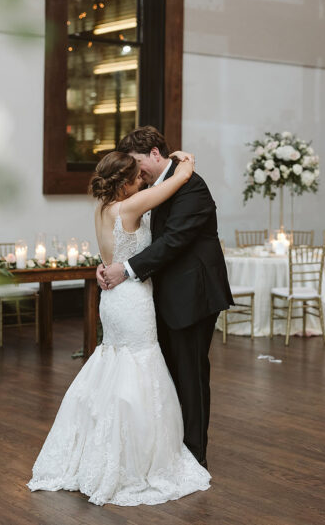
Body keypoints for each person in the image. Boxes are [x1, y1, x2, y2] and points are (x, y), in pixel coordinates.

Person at [27, 149, 210, 506]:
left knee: (113, 364)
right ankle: (132, 457)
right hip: (132, 299)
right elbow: (179, 180)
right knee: (140, 367)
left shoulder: (102, 210)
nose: (143, 181)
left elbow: (111, 254)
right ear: (125, 182)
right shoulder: (129, 207)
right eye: (138, 178)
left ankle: (99, 448)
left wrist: (106, 267)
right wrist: (186, 161)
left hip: (112, 298)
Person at [99, 126, 233, 468]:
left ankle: (194, 455)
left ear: (155, 154)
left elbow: (173, 241)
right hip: (155, 296)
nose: (136, 172)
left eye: (138, 163)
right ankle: (169, 448)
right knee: (166, 374)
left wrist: (124, 268)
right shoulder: (152, 188)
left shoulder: (192, 185)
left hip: (192, 295)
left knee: (190, 374)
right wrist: (111, 265)